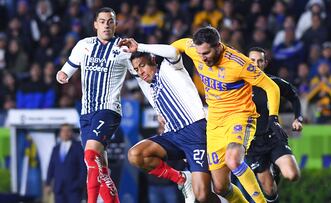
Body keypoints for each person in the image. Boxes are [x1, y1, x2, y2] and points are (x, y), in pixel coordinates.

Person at [171, 26, 285, 203]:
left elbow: (272, 87)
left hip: (240, 116)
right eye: (200, 53)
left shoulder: (239, 63)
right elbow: (178, 45)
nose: (202, 58)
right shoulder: (196, 50)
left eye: (207, 53)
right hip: (215, 123)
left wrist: (274, 117)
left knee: (233, 160)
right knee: (220, 187)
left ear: (218, 46)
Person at [119, 38, 224, 203]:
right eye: (137, 69)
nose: (141, 72)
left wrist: (139, 46)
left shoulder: (170, 68)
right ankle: (181, 178)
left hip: (195, 133)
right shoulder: (149, 87)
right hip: (172, 136)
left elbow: (173, 51)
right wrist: (122, 53)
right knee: (135, 155)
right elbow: (133, 70)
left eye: (143, 65)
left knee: (203, 195)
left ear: (153, 60)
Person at [56, 7, 131, 203]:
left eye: (111, 21)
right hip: (86, 112)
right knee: (98, 166)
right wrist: (61, 75)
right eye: (103, 21)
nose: (107, 24)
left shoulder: (123, 48)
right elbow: (68, 68)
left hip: (108, 110)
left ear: (115, 24)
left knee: (90, 155)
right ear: (95, 24)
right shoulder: (84, 45)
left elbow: (141, 75)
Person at [246, 47, 302, 202]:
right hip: (252, 143)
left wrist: (298, 118)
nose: (256, 64)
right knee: (269, 190)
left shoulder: (274, 83)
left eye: (260, 61)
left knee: (292, 175)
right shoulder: (239, 84)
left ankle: (275, 168)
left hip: (273, 136)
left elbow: (294, 97)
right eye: (252, 61)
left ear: (265, 63)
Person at [45, 123, 86, 203]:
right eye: (63, 131)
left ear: (72, 132)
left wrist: (80, 184)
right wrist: (48, 183)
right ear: (60, 133)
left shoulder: (78, 147)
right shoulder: (56, 149)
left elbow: (83, 167)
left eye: (68, 131)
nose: (65, 133)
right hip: (59, 188)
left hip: (74, 189)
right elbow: (51, 166)